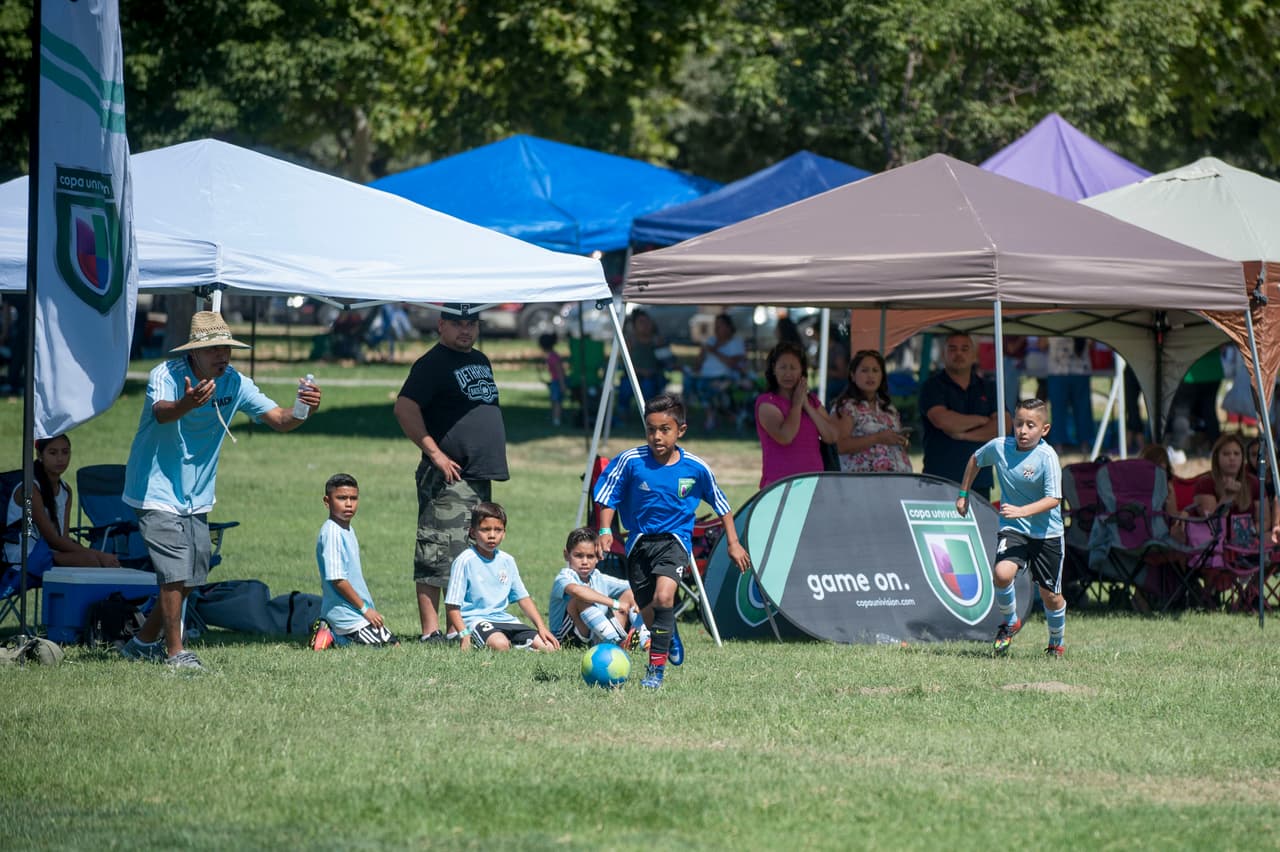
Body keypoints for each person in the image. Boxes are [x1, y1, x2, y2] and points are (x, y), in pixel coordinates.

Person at [119, 311, 322, 670]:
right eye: (213, 348)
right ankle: (176, 654)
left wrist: (304, 408)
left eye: (226, 347)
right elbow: (163, 413)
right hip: (154, 488)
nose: (222, 355)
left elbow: (279, 420)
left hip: (196, 495)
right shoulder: (165, 375)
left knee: (192, 579)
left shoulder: (234, 383)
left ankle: (141, 642)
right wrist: (189, 403)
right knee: (174, 574)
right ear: (194, 352)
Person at [593, 392, 751, 688]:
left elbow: (722, 506)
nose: (656, 436)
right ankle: (671, 634)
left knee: (664, 598)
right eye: (650, 429)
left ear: (681, 430)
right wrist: (604, 531)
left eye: (664, 430)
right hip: (638, 542)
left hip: (675, 541)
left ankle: (655, 672)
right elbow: (607, 497)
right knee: (650, 610)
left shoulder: (695, 467)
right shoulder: (630, 461)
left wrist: (733, 542)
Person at [393, 303, 508, 644]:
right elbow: (404, 408)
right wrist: (436, 454)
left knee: (467, 554)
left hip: (477, 476)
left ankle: (460, 627)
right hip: (448, 477)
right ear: (441, 325)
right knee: (437, 551)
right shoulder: (432, 364)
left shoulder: (479, 360)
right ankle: (431, 632)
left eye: (472, 323)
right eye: (458, 323)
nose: (466, 330)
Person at [956, 399, 1067, 658]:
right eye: (1019, 424)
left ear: (1045, 429)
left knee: (1050, 596)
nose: (1023, 431)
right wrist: (963, 493)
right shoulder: (1000, 447)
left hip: (1046, 534)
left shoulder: (1047, 458)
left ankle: (1055, 642)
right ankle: (1010, 622)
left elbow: (1054, 499)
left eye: (1031, 425)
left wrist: (1022, 511)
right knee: (1002, 574)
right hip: (1013, 528)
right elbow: (975, 460)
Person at [444, 502, 559, 652]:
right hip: (476, 621)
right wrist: (464, 634)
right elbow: (452, 605)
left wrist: (541, 627)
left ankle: (519, 647)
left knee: (549, 648)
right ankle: (508, 646)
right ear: (472, 532)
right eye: (485, 529)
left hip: (504, 620)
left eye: (498, 530)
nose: (492, 535)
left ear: (504, 533)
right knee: (500, 645)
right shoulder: (464, 561)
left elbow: (523, 598)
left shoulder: (507, 561)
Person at [4, 435, 121, 573]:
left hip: (47, 552)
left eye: (65, 452)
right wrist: (100, 555)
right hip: (22, 556)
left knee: (90, 560)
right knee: (89, 561)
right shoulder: (30, 489)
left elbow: (62, 538)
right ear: (40, 455)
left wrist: (94, 555)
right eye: (53, 453)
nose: (60, 459)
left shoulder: (66, 490)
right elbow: (53, 539)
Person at [310, 473, 397, 649]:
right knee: (391, 649)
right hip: (348, 616)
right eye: (341, 498)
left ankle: (331, 634)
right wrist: (366, 610)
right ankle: (333, 631)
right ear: (327, 501)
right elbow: (337, 579)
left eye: (353, 498)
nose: (348, 504)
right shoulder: (333, 533)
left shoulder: (346, 529)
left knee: (393, 644)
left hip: (355, 613)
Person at [919, 333, 1003, 499]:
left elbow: (1002, 427)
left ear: (974, 354)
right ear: (943, 354)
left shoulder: (989, 387)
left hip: (980, 481)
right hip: (939, 479)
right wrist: (982, 420)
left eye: (965, 349)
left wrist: (964, 434)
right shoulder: (932, 386)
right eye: (952, 349)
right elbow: (943, 421)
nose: (959, 354)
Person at [754, 341, 840, 488]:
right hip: (780, 484)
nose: (788, 373)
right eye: (782, 367)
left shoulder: (811, 401)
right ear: (774, 370)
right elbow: (786, 436)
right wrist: (797, 405)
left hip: (814, 484)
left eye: (793, 368)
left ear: (802, 371)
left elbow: (832, 436)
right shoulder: (767, 403)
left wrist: (807, 405)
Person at [547, 527, 649, 649]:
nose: (584, 562)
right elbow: (578, 591)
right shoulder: (564, 576)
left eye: (590, 556)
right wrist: (615, 604)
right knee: (580, 599)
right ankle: (615, 642)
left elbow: (633, 586)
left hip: (595, 635)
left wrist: (639, 599)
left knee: (631, 594)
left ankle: (645, 640)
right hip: (566, 639)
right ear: (566, 555)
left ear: (598, 557)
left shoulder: (599, 578)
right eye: (578, 556)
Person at [829, 349, 911, 473]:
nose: (870, 375)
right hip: (864, 485)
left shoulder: (889, 408)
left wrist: (901, 441)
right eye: (864, 370)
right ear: (852, 375)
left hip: (897, 483)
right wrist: (877, 438)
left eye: (875, 370)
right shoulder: (846, 407)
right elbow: (839, 446)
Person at [688, 313, 747, 430]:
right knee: (689, 382)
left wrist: (714, 350)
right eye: (715, 325)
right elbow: (696, 366)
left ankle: (712, 418)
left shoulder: (736, 342)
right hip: (705, 375)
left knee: (705, 386)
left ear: (729, 327)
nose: (716, 328)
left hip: (725, 377)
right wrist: (702, 353)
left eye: (719, 325)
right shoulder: (711, 340)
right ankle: (687, 417)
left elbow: (733, 363)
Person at [1044, 337, 1095, 454]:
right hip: (1080, 370)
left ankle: (1059, 446)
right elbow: (1092, 344)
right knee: (1082, 409)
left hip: (1059, 370)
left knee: (1059, 410)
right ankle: (1084, 445)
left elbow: (1041, 344)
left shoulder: (1048, 320)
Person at [538, 332, 568, 427]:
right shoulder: (552, 356)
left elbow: (559, 372)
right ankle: (556, 418)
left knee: (557, 401)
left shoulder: (553, 357)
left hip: (558, 382)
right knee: (555, 401)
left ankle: (556, 419)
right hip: (556, 382)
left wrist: (562, 385)